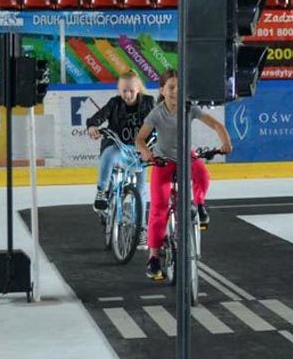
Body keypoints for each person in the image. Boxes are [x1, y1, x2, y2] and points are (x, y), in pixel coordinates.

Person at [135, 69, 233, 281]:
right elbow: (140, 139)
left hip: (185, 156)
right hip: (163, 161)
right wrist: (145, 152)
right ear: (162, 90)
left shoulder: (189, 108)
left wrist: (226, 142)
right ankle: (153, 257)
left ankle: (199, 205)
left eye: (180, 87)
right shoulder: (157, 113)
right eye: (170, 87)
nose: (175, 92)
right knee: (159, 208)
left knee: (203, 175)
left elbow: (216, 124)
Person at [86, 70, 156, 231]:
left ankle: (141, 228)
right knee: (108, 155)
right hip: (119, 147)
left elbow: (157, 119)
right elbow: (100, 116)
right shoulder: (114, 103)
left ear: (138, 88)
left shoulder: (148, 102)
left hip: (140, 151)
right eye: (124, 91)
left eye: (131, 90)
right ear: (119, 90)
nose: (128, 94)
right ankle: (102, 191)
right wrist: (92, 126)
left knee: (140, 190)